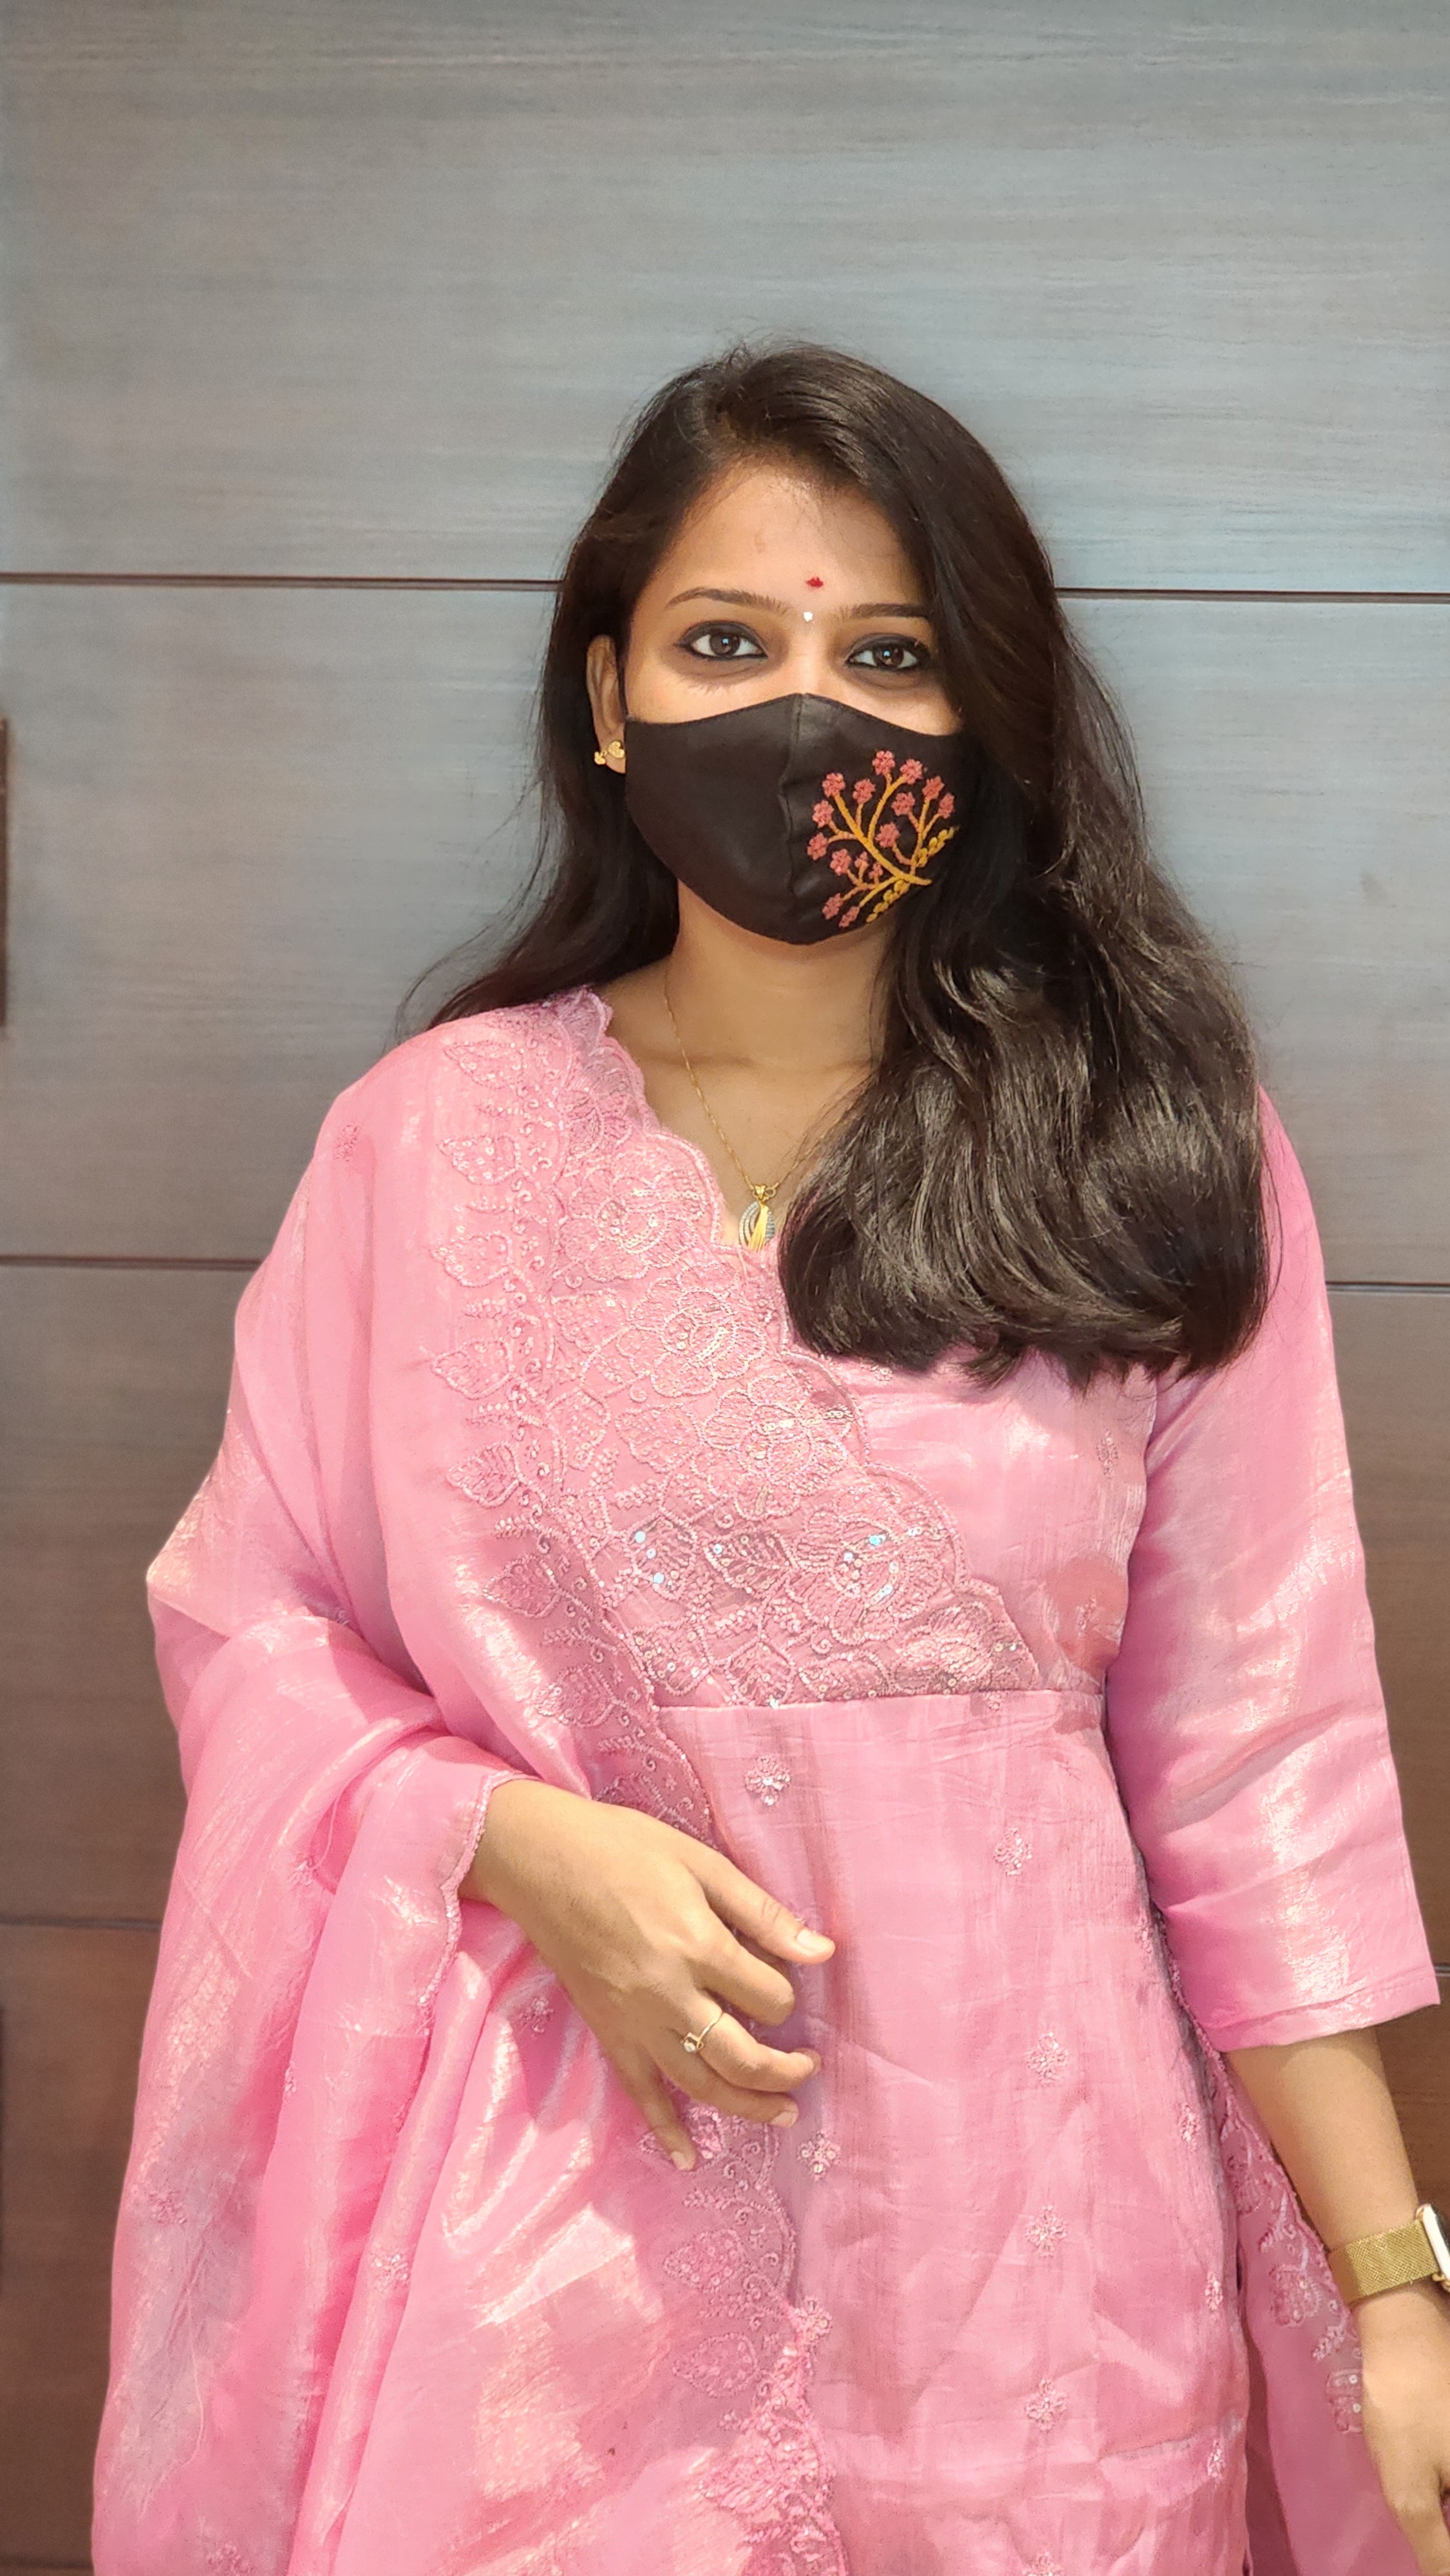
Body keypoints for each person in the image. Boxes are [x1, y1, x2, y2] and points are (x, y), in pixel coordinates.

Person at [95, 345, 1450, 2576]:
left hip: (1032, 2250)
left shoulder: (1145, 1150)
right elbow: (254, 1622)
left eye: (885, 657)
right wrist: (515, 1838)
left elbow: (1258, 1761)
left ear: (979, 715)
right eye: (725, 644)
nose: (804, 717)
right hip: (551, 2228)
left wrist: (1395, 2283)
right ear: (610, 697)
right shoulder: (430, 1147)